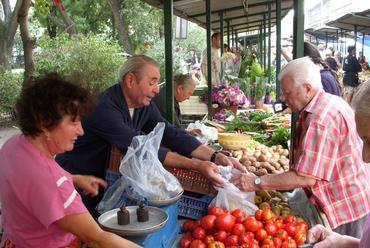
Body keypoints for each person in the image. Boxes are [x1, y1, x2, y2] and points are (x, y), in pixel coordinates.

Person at [56, 55, 242, 217]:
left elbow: (170, 134)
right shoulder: (105, 108)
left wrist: (214, 156)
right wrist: (197, 165)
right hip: (78, 179)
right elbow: (141, 150)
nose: (157, 89)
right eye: (152, 82)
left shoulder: (142, 105)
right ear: (130, 80)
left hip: (105, 180)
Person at [230, 57, 370, 238]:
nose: (282, 98)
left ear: (307, 89)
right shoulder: (331, 102)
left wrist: (256, 182)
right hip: (354, 197)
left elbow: (305, 178)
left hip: (344, 207)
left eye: (287, 93)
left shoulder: (320, 120)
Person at [0, 73, 139, 248]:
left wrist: (73, 178)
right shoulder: (53, 184)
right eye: (73, 123)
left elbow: (29, 184)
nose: (81, 131)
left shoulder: (13, 146)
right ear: (45, 123)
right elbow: (97, 238)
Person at [306, 80, 370, 248]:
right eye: (363, 141)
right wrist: (340, 241)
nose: (365, 157)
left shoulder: (321, 117)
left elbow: (306, 176)